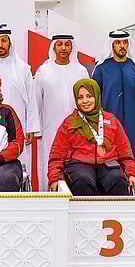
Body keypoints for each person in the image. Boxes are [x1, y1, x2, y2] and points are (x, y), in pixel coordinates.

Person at [48, 79, 135, 195]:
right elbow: (56, 156)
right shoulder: (69, 123)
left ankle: (114, 214)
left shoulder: (111, 120)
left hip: (107, 163)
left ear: (96, 96)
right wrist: (55, 178)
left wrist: (131, 173)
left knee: (118, 180)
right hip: (78, 164)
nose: (85, 101)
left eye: (89, 96)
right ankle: (84, 214)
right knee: (83, 180)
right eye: (80, 97)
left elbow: (125, 152)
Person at [93, 30, 135, 194]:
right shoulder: (101, 69)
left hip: (133, 126)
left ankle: (134, 198)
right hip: (107, 127)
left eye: (125, 42)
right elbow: (94, 100)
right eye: (118, 43)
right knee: (109, 162)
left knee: (133, 161)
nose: (122, 46)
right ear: (112, 45)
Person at [0, 28, 40, 176]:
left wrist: (30, 128)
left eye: (4, 41)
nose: (0, 45)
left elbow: (31, 100)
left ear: (10, 43)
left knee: (20, 167)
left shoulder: (23, 69)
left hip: (17, 126)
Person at [35, 34, 89, 191]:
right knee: (50, 162)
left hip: (78, 129)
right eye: (59, 44)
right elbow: (36, 102)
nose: (64, 48)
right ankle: (49, 199)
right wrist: (35, 128)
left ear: (72, 47)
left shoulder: (81, 71)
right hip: (50, 128)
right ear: (53, 47)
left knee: (77, 163)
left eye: (67, 44)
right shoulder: (43, 71)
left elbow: (88, 102)